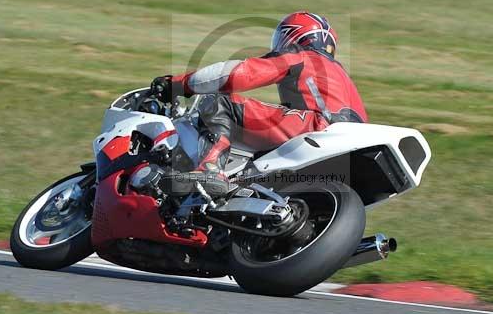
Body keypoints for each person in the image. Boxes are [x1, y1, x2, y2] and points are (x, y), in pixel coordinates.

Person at [151, 11, 367, 196]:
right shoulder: (341, 75)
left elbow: (239, 74)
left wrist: (179, 84)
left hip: (319, 127)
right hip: (350, 145)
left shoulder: (302, 56)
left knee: (220, 101)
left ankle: (210, 168)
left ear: (295, 35)